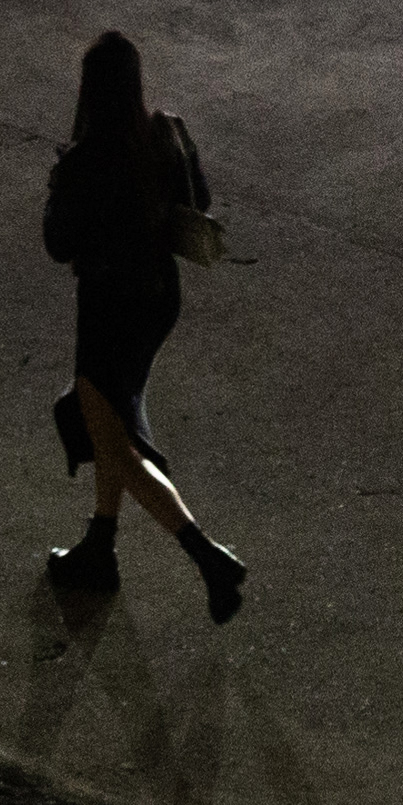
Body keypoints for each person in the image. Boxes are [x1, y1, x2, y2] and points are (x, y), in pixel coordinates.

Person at [40, 30, 248, 623]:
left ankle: (207, 556)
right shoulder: (161, 135)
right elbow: (199, 199)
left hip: (107, 307)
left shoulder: (85, 160)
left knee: (120, 444)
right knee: (111, 426)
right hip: (158, 298)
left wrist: (57, 191)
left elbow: (59, 245)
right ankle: (100, 547)